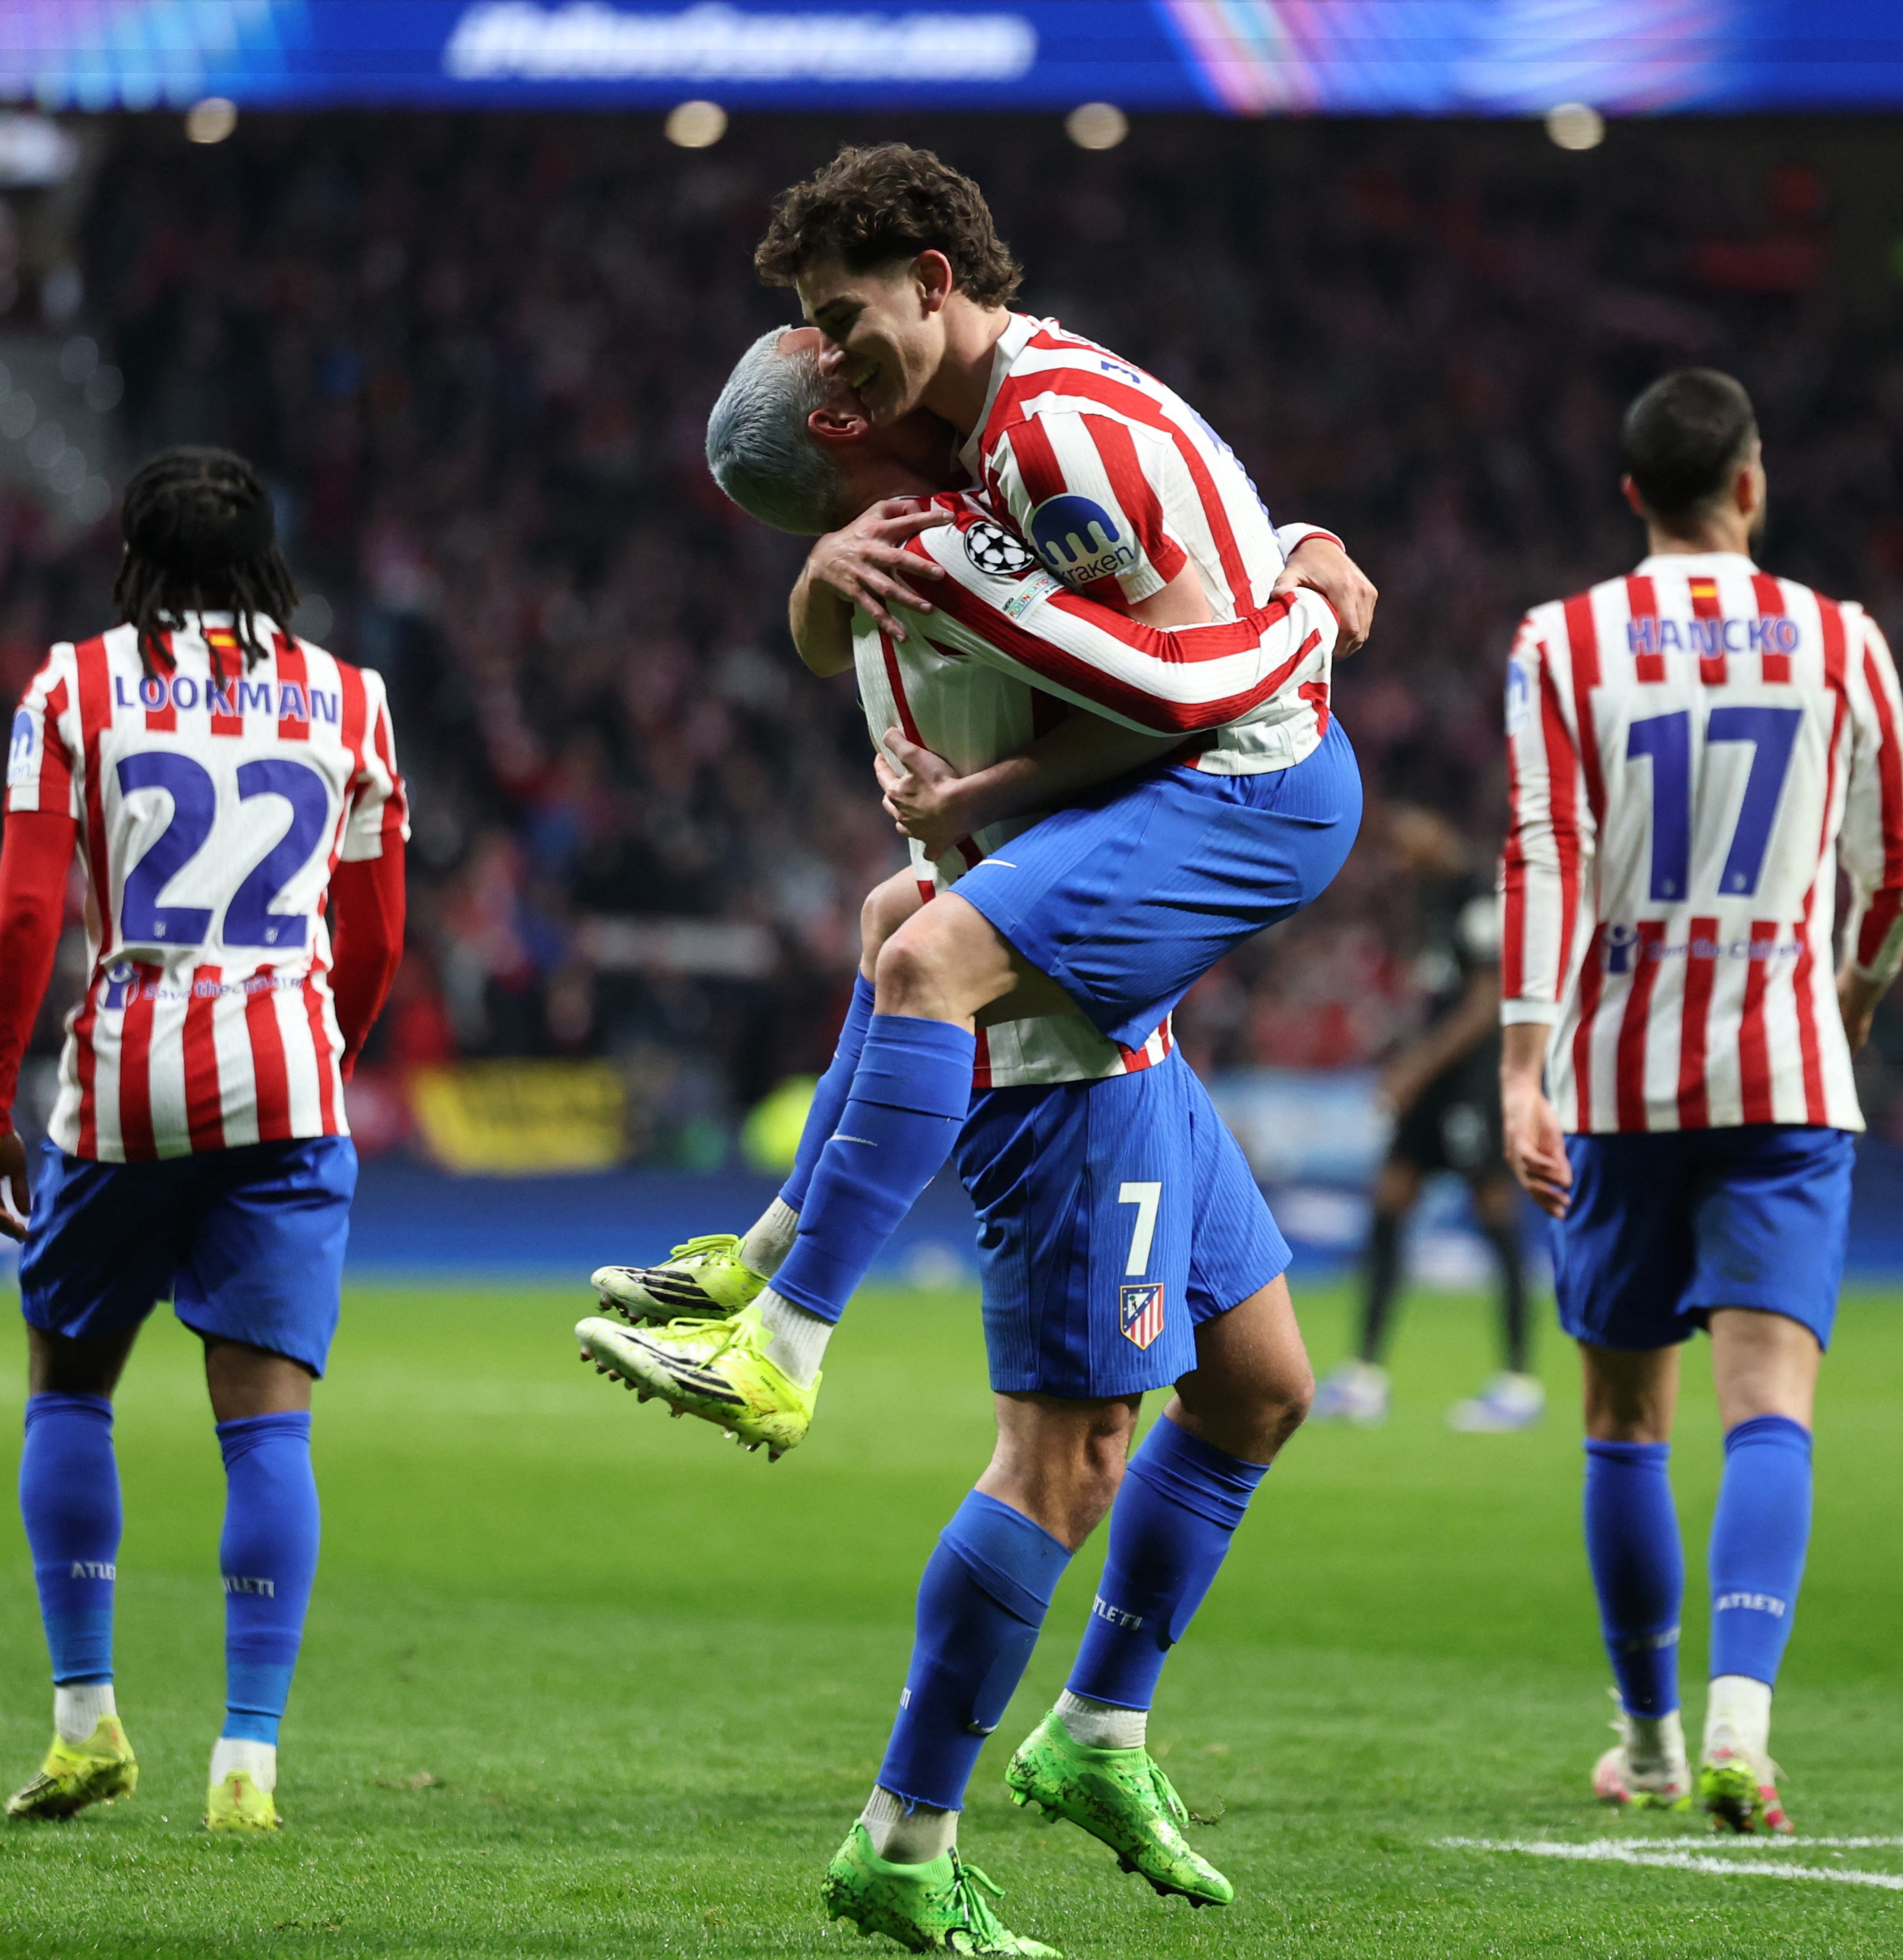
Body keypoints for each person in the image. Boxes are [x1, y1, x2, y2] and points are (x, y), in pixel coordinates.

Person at [600, 334, 1323, 1956]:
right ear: (848, 423)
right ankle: (905, 1837)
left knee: (1258, 1386)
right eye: (846, 350)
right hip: (1059, 1051)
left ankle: (1097, 1729)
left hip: (1111, 1022)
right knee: (1064, 1461)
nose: (891, 362)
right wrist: (1298, 590)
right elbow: (1168, 688)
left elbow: (1138, 566)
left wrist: (1291, 542)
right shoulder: (950, 540)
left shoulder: (881, 554)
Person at [575, 146, 1374, 1459]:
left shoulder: (1025, 453)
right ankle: (766, 1257)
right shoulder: (968, 456)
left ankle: (787, 1332)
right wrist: (832, 585)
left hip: (1250, 772)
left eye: (840, 323)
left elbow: (1185, 687)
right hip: (1187, 768)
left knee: (929, 958)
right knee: (1251, 1397)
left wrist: (1300, 597)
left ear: (932, 280)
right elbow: (1168, 588)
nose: (837, 360)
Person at [1498, 369, 1903, 1834]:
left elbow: (1544, 856)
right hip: (1785, 1070)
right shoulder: (1840, 637)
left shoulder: (1558, 640)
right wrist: (1850, 1000)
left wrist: (1522, 1064)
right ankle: (1745, 1730)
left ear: (1633, 495)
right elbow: (1899, 867)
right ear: (1750, 483)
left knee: (1625, 1419)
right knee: (1767, 1410)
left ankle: (1650, 1743)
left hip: (1617, 1078)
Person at [0, 448, 407, 1833]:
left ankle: (85, 1721)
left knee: (68, 1381)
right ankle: (247, 1759)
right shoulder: (353, 696)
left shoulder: (72, 686)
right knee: (267, 1421)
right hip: (287, 1078)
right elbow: (376, 931)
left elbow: (26, 912)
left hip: (126, 1083)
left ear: (135, 559)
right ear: (267, 558)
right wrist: (328, 1050)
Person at [1318, 807, 1537, 1433]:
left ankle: (1518, 1382)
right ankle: (1363, 1375)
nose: (1399, 860)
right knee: (1389, 1204)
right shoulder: (1431, 897)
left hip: (1471, 1083)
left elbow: (1484, 1003)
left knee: (1495, 1215)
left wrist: (1412, 1068)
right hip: (1433, 1086)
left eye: (1403, 846)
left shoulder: (1478, 893)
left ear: (1434, 832)